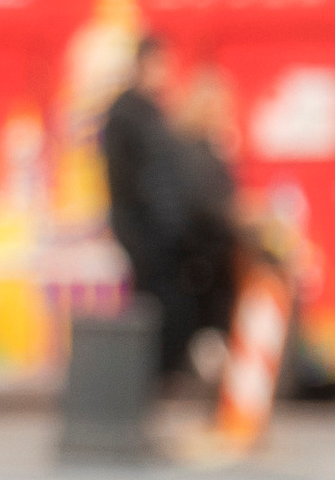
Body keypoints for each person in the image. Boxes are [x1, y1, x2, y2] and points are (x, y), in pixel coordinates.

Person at [98, 31, 235, 383]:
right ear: (146, 64)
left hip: (159, 233)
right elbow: (139, 184)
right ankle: (149, 379)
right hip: (146, 233)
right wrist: (154, 232)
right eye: (164, 65)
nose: (168, 74)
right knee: (162, 308)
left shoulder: (149, 113)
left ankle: (156, 377)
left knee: (169, 308)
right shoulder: (129, 115)